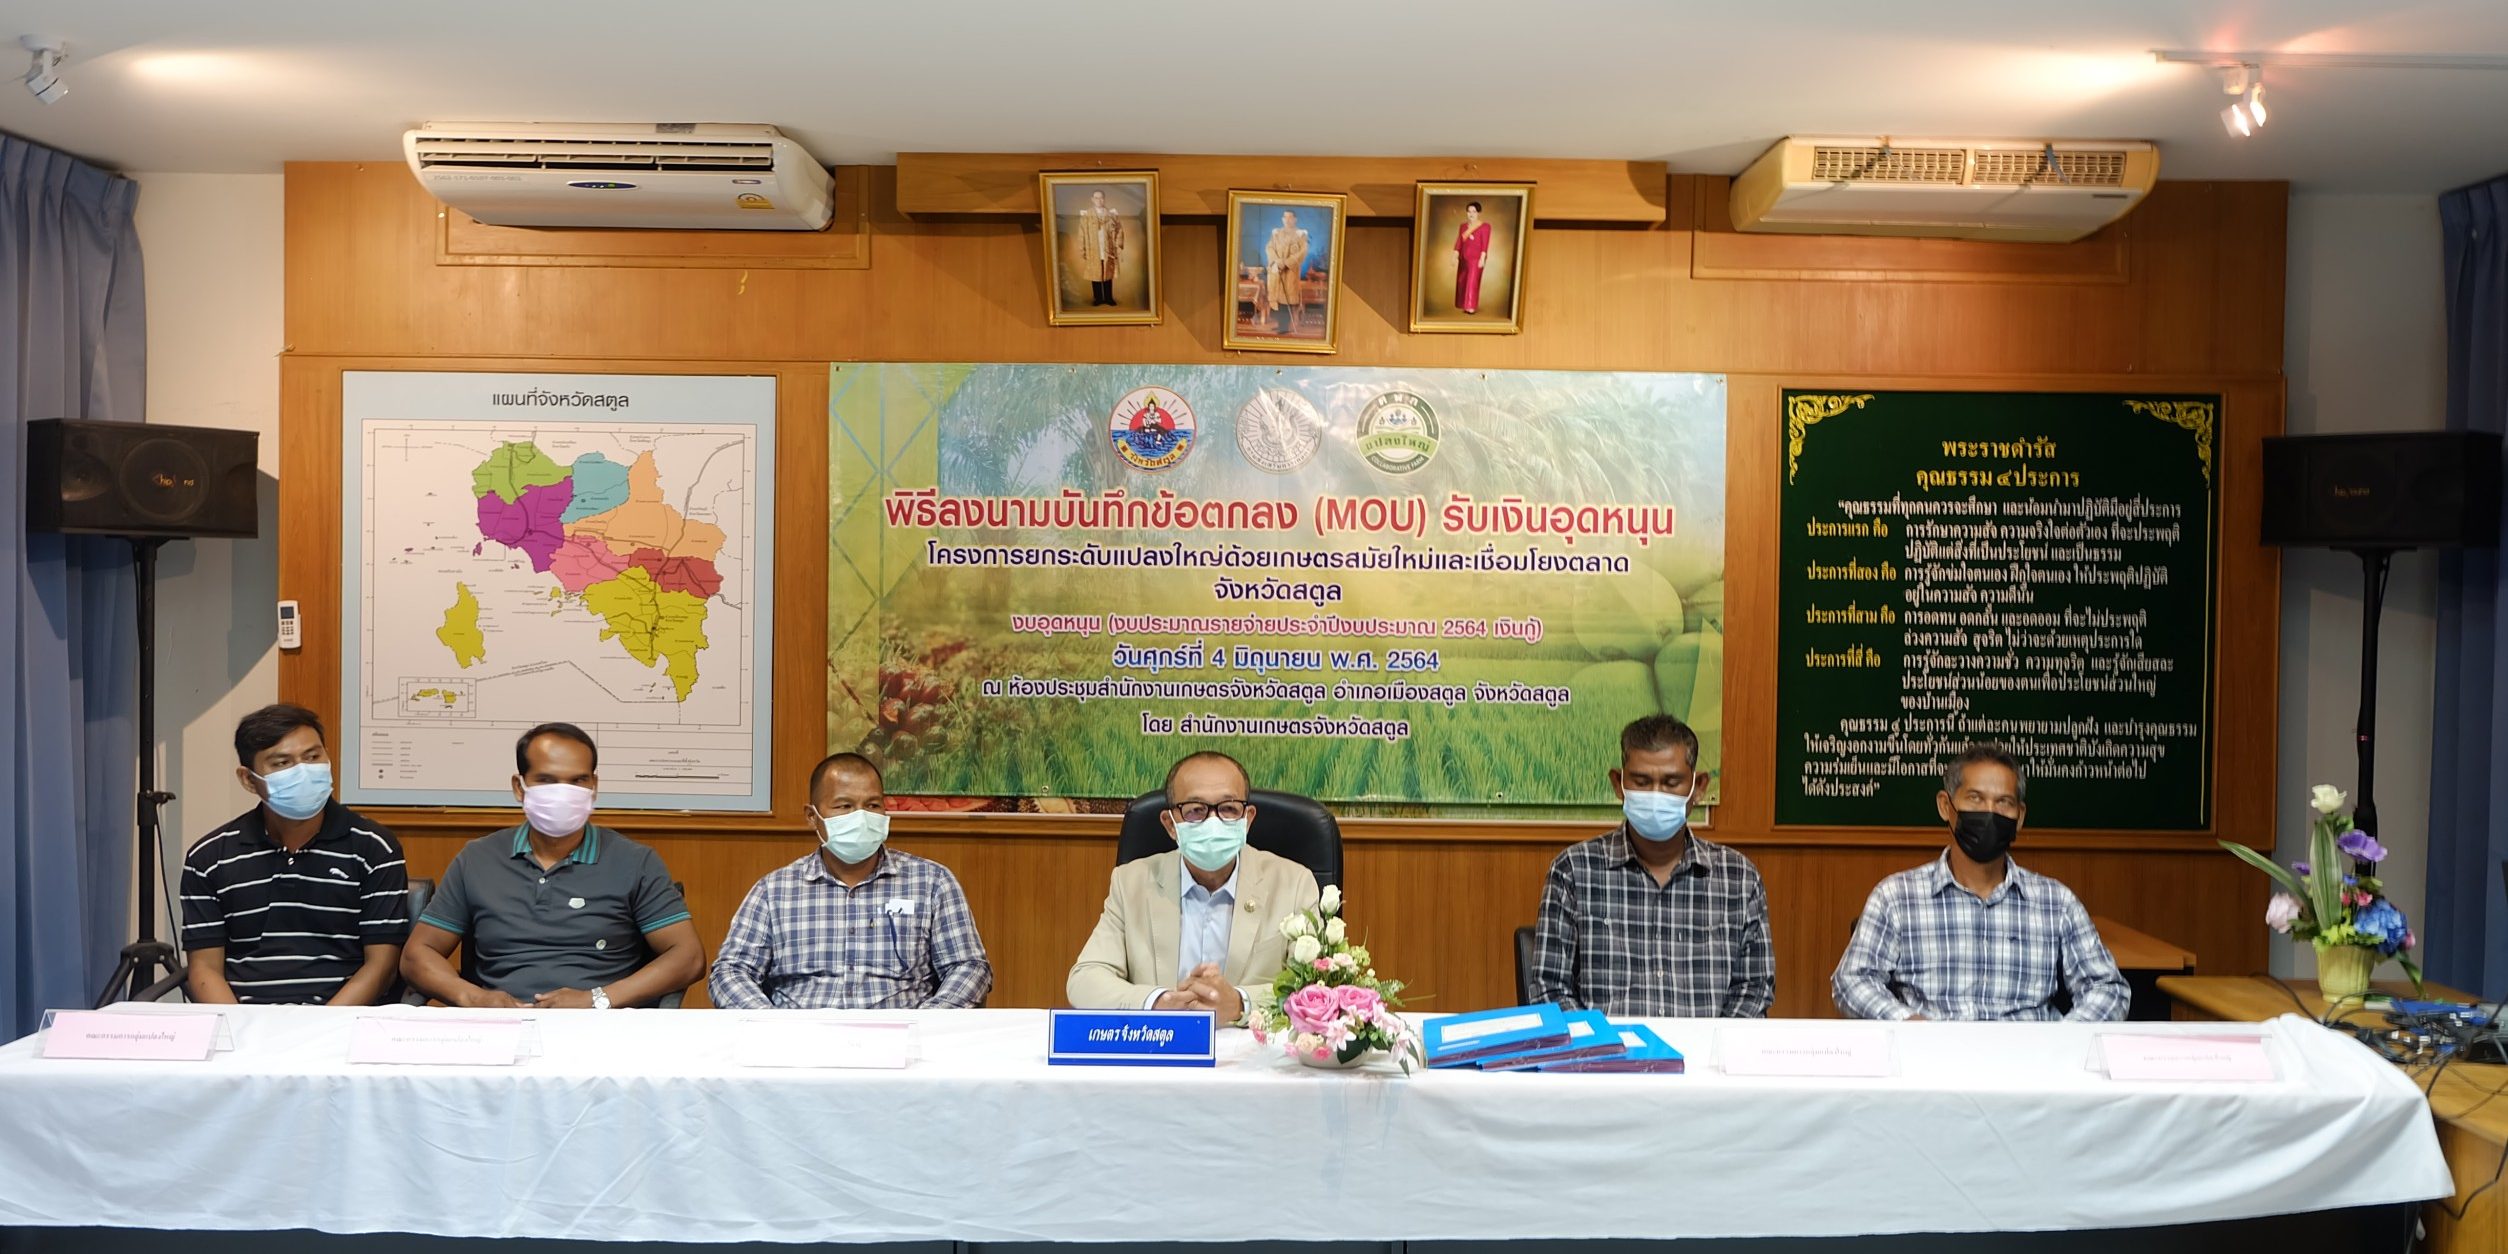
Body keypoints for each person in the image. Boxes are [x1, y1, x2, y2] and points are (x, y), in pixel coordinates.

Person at [401, 722, 705, 1009]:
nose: (563, 793)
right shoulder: (478, 858)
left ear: (594, 786)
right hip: (498, 1023)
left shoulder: (634, 861)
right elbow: (417, 954)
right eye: (546, 780)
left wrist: (596, 999)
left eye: (578, 781)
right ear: (519, 787)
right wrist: (474, 998)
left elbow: (688, 957)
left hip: (599, 1026)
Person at [1831, 743, 2129, 1022]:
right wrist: (1907, 1023)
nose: (1990, 811)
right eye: (1975, 798)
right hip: (1933, 1053)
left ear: (2020, 816)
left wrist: (2064, 1039)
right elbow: (1852, 980)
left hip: (2032, 1056)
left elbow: (2108, 988)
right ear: (1945, 806)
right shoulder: (1896, 897)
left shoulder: (2057, 902)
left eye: (2004, 802)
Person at [1529, 714, 1772, 1017]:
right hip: (1607, 1047)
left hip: (1706, 1048)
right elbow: (1549, 989)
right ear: (1619, 784)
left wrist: (1710, 1043)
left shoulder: (1739, 878)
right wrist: (1599, 1042)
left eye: (1671, 782)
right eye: (1642, 782)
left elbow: (1754, 990)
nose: (1656, 794)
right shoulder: (1573, 872)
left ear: (1698, 787)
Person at [711, 753, 992, 1009]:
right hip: (800, 1037)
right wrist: (771, 1025)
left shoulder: (932, 882)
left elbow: (969, 967)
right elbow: (731, 971)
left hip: (903, 1035)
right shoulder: (774, 891)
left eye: (872, 805)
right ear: (812, 817)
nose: (861, 817)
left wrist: (927, 1022)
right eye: (844, 806)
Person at [179, 704, 411, 1005]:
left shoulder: (374, 847)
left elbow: (381, 966)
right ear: (248, 780)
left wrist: (322, 1025)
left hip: (340, 1018)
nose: (303, 771)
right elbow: (205, 969)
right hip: (246, 1019)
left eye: (313, 757)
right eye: (282, 763)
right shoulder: (209, 858)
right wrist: (238, 1027)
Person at [1067, 750, 1321, 1022]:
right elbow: (1085, 980)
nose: (1213, 822)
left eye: (1228, 808)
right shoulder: (1131, 883)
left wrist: (1241, 1003)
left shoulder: (1294, 883)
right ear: (1170, 824)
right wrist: (1156, 1002)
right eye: (1195, 810)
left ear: (1247, 819)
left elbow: (1315, 987)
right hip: (1162, 1040)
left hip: (1249, 1043)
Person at [1075, 188, 1125, 308]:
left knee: (1108, 272)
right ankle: (1098, 298)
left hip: (1107, 248)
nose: (1099, 200)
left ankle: (1108, 298)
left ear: (1104, 199)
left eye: (1101, 198)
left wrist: (1118, 245)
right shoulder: (1086, 215)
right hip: (1093, 249)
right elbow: (1081, 233)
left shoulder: (1111, 215)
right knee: (1095, 273)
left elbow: (1119, 230)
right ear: (1092, 199)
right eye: (1096, 198)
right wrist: (1082, 249)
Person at [1262, 209, 1310, 335]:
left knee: (1286, 299)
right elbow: (1269, 247)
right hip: (1276, 270)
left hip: (1290, 272)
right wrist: (1277, 261)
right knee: (1277, 299)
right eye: (1285, 217)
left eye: (1290, 217)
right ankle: (1280, 325)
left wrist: (1287, 262)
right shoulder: (1276, 233)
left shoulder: (1300, 234)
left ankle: (1285, 326)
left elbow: (1303, 252)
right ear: (1282, 219)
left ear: (1295, 219)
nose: (1287, 220)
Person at [1453, 200, 1492, 314]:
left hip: (1476, 259)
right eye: (1469, 211)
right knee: (1462, 281)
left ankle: (1470, 306)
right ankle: (1463, 304)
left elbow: (1485, 244)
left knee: (1472, 282)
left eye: (1474, 211)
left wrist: (1482, 258)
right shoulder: (1463, 227)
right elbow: (1459, 242)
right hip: (1463, 258)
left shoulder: (1485, 227)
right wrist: (1455, 255)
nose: (1471, 214)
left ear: (1478, 213)